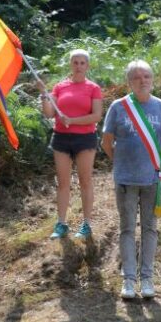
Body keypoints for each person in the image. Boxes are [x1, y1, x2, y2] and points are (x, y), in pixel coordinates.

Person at [102, 60, 161, 300]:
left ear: (152, 79)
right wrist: (122, 163)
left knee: (150, 228)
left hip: (152, 179)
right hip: (125, 180)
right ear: (129, 82)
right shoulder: (118, 107)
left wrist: (156, 164)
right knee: (126, 229)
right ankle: (128, 280)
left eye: (146, 76)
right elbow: (106, 142)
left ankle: (147, 278)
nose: (142, 80)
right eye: (137, 77)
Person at [36, 49, 103, 239]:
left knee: (85, 180)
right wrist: (43, 94)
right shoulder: (59, 87)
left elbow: (96, 115)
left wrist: (72, 121)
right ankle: (61, 223)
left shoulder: (93, 88)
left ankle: (87, 224)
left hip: (85, 138)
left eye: (82, 63)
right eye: (75, 62)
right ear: (71, 65)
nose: (79, 66)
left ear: (87, 66)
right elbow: (49, 113)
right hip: (61, 138)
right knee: (63, 182)